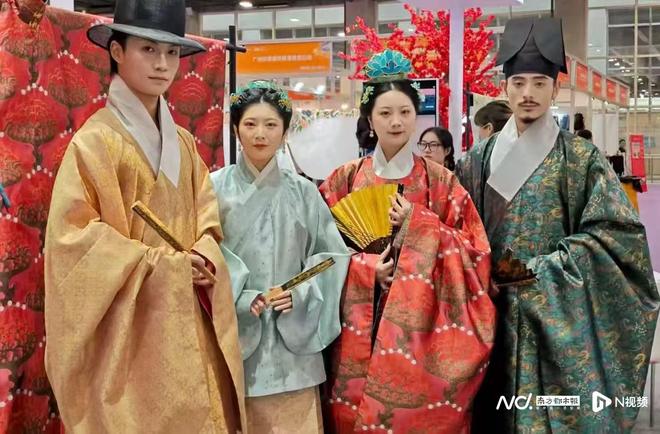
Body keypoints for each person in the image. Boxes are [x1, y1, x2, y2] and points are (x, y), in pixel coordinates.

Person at [43, 0, 246, 432]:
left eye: (171, 52)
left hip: (188, 315)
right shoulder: (95, 143)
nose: (162, 64)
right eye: (148, 49)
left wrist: (204, 256)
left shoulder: (184, 144)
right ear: (117, 51)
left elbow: (208, 218)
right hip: (128, 331)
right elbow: (73, 242)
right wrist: (160, 266)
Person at [455, 17, 659, 433]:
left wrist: (542, 271)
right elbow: (458, 232)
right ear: (505, 87)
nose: (528, 94)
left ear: (556, 88)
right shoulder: (476, 160)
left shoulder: (582, 159)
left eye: (539, 83)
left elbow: (616, 239)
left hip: (553, 318)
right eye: (518, 83)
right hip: (488, 313)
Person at [320, 49, 496, 433]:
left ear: (417, 116)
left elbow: (476, 252)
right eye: (385, 113)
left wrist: (420, 225)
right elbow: (318, 251)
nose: (396, 121)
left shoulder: (441, 181)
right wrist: (364, 269)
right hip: (357, 322)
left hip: (422, 328)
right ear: (370, 120)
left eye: (405, 111)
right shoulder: (344, 179)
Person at [211, 81, 351, 433]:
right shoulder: (212, 189)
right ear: (236, 129)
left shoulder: (304, 192)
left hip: (294, 347)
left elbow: (331, 256)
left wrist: (302, 293)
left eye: (271, 124)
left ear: (285, 131)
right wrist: (239, 295)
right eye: (250, 124)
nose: (260, 133)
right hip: (234, 336)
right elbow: (204, 253)